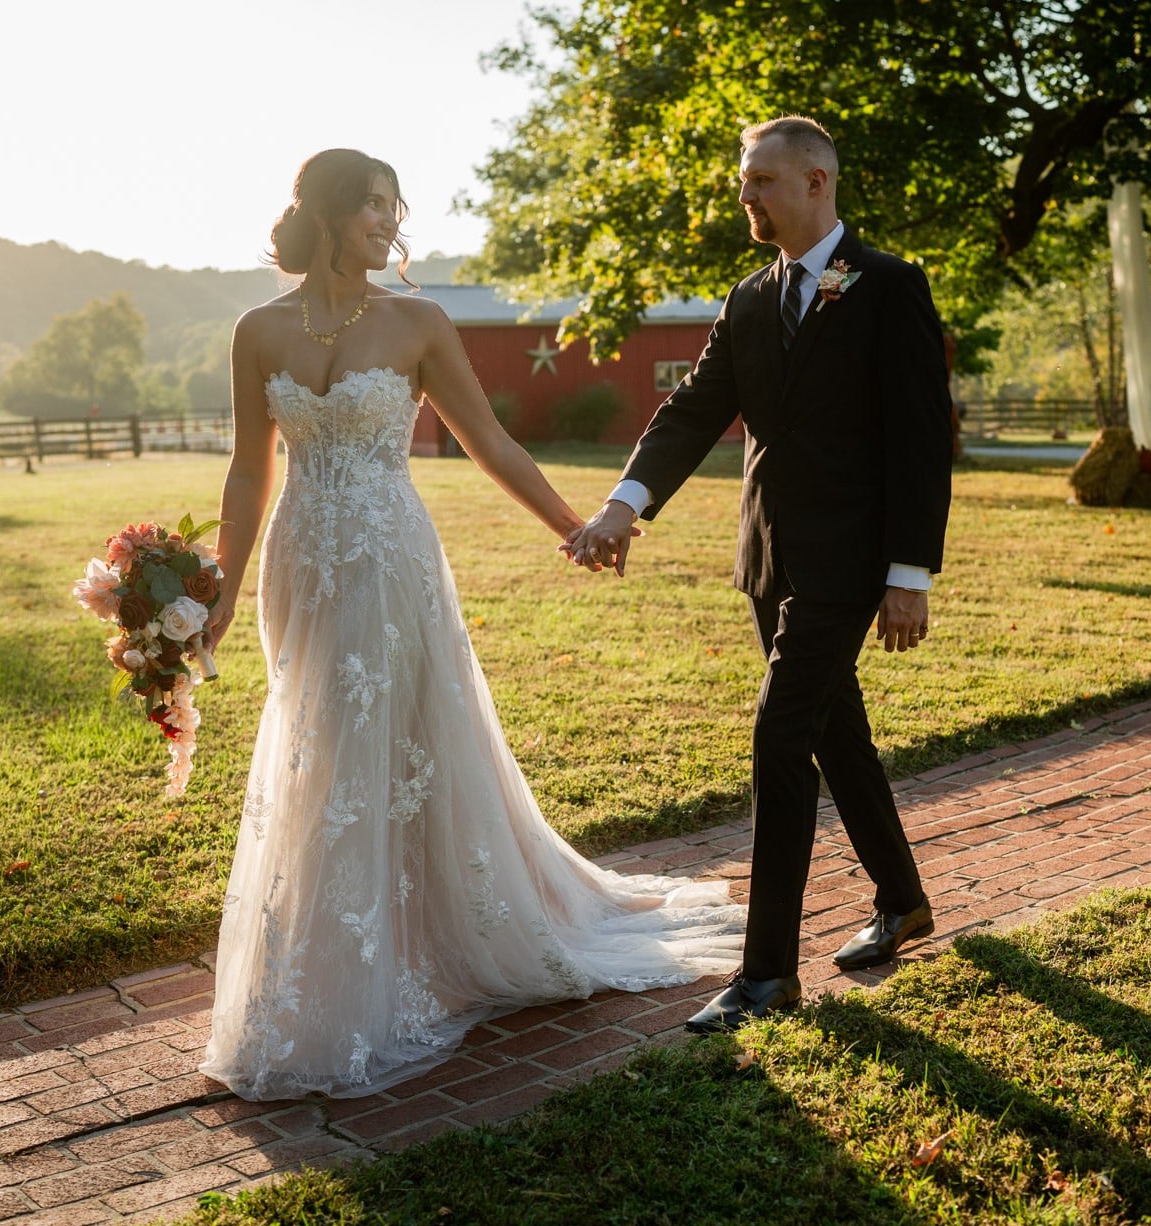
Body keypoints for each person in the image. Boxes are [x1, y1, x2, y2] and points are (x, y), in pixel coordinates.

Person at [196, 149, 743, 1100]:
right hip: (303, 563)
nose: (388, 223)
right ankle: (335, 957)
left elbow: (490, 441)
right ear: (327, 212)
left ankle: (416, 949)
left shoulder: (418, 321)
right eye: (371, 206)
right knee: (319, 750)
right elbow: (251, 469)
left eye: (391, 208)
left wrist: (574, 526)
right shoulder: (257, 330)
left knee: (393, 743)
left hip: (392, 558)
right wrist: (223, 587)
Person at [566, 116, 953, 1034]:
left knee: (780, 741)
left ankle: (768, 976)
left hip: (852, 563)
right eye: (745, 181)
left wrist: (909, 573)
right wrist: (623, 506)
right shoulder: (748, 297)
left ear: (816, 182)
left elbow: (922, 439)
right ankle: (902, 902)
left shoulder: (890, 286)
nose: (746, 196)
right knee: (834, 735)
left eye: (762, 182)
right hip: (768, 558)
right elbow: (694, 411)